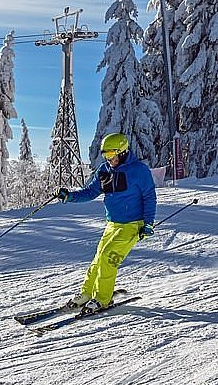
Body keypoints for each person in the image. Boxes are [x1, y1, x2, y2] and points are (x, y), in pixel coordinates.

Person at [56, 132, 157, 314]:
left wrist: (148, 224)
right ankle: (86, 294)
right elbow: (90, 192)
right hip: (112, 224)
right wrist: (70, 197)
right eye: (106, 155)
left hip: (132, 225)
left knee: (108, 259)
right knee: (97, 259)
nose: (109, 159)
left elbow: (149, 197)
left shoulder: (139, 171)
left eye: (112, 155)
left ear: (123, 152)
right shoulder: (104, 170)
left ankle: (102, 299)